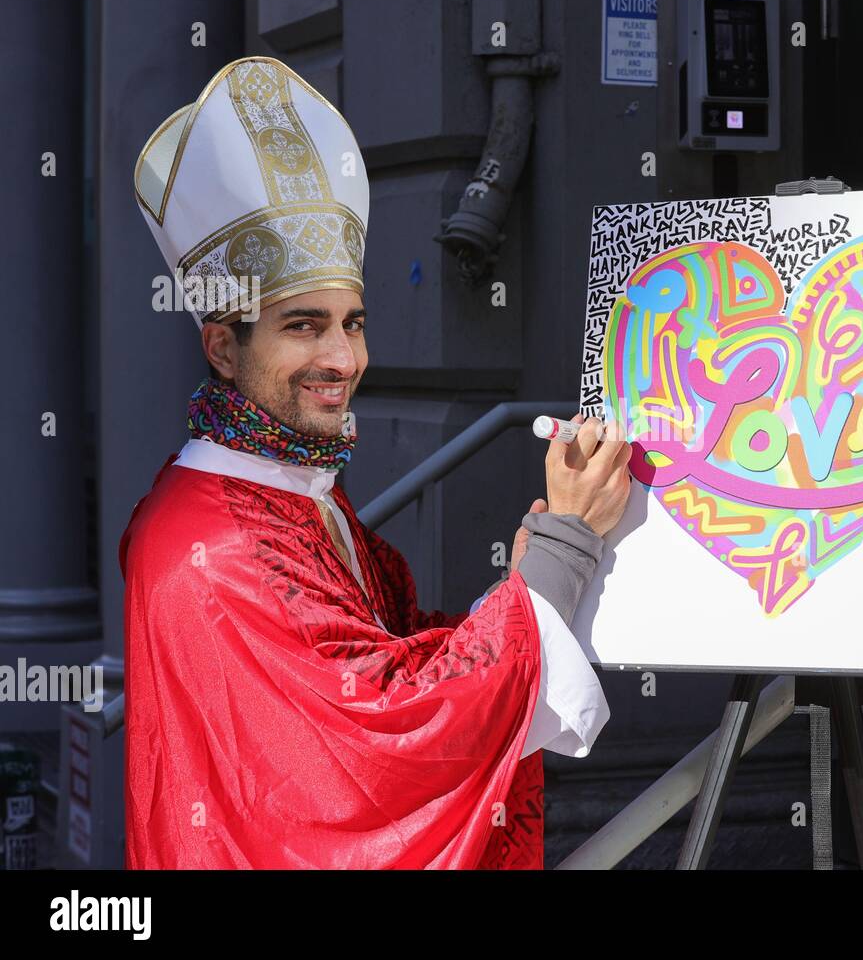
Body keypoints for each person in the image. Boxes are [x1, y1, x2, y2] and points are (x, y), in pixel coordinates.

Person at [122, 56, 631, 869]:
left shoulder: (285, 489)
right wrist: (564, 550)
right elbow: (389, 743)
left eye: (352, 321)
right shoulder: (217, 548)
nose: (343, 356)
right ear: (223, 345)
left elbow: (379, 663)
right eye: (302, 325)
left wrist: (525, 582)